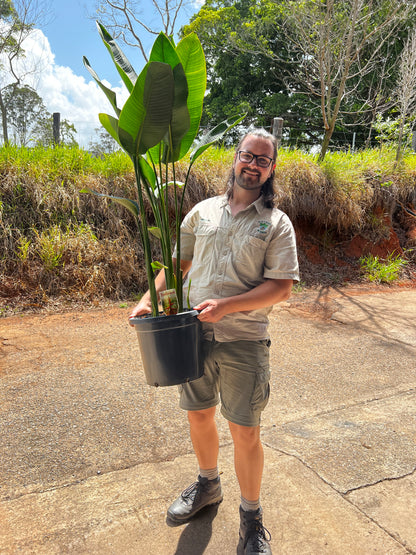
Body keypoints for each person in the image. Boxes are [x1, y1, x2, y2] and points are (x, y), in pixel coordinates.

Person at [129, 128, 299, 554]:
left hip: (244, 339)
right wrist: (150, 298)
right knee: (198, 416)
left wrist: (227, 306)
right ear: (235, 158)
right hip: (191, 335)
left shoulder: (276, 223)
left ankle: (252, 517)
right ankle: (208, 485)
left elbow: (281, 288)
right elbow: (177, 264)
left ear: (272, 168)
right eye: (248, 155)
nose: (254, 164)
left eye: (264, 160)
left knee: (245, 430)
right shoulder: (200, 213)